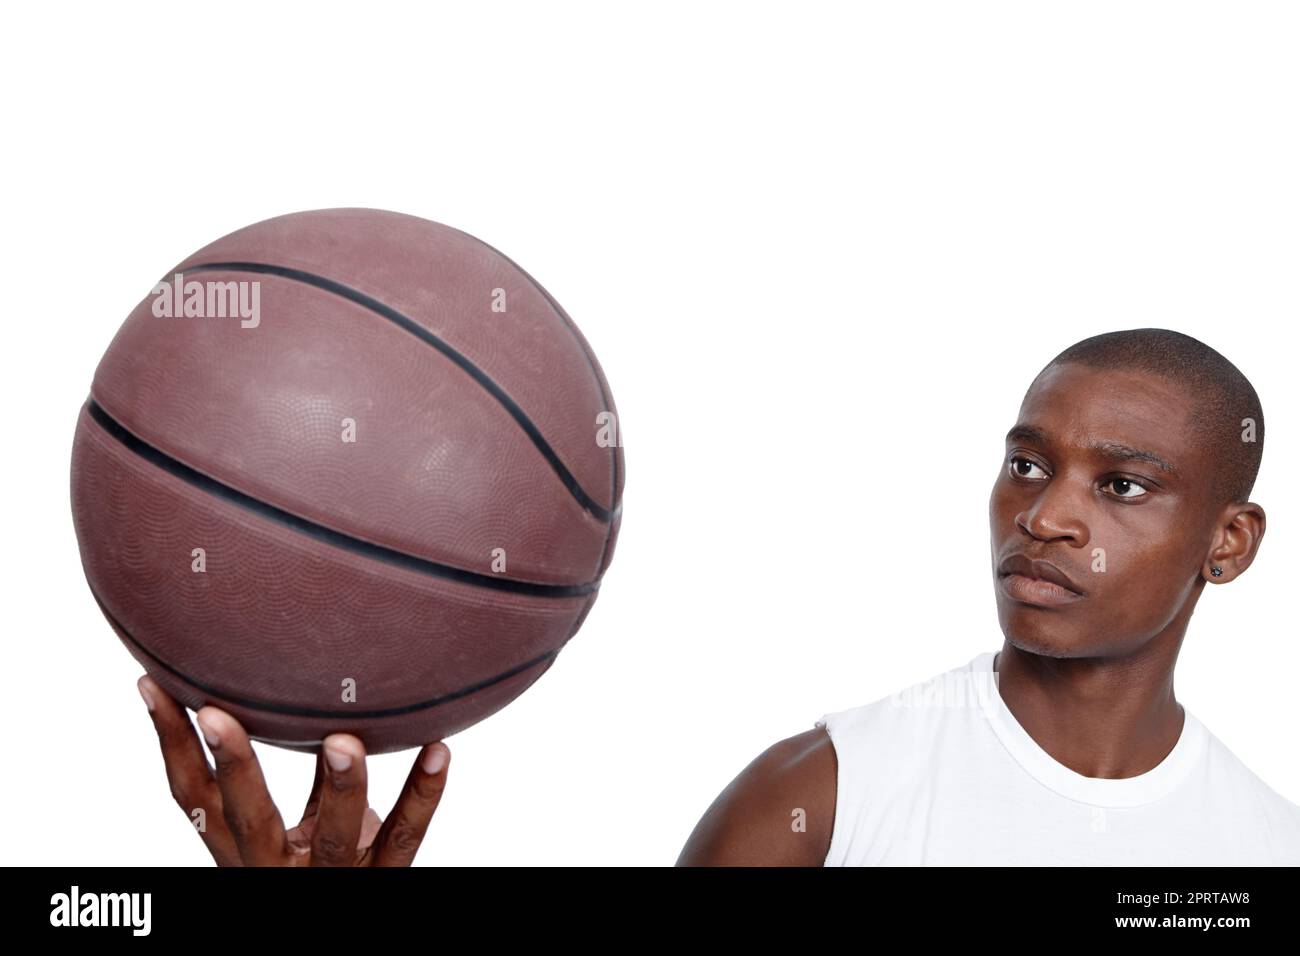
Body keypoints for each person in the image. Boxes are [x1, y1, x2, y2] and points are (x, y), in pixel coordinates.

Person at [136, 328, 1300, 865]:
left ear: (1228, 542)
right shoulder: (827, 793)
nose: (1046, 514)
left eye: (1124, 484)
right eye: (1028, 463)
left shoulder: (1265, 842)